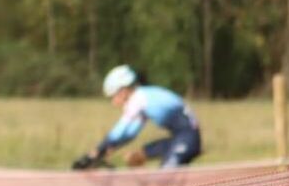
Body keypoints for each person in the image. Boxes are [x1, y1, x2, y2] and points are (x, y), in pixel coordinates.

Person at [74, 64, 203, 170]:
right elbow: (130, 133)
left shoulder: (138, 98)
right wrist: (107, 150)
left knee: (162, 183)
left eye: (113, 95)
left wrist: (97, 151)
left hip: (187, 139)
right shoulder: (144, 99)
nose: (113, 102)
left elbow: (120, 130)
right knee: (137, 157)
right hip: (182, 138)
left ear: (123, 90)